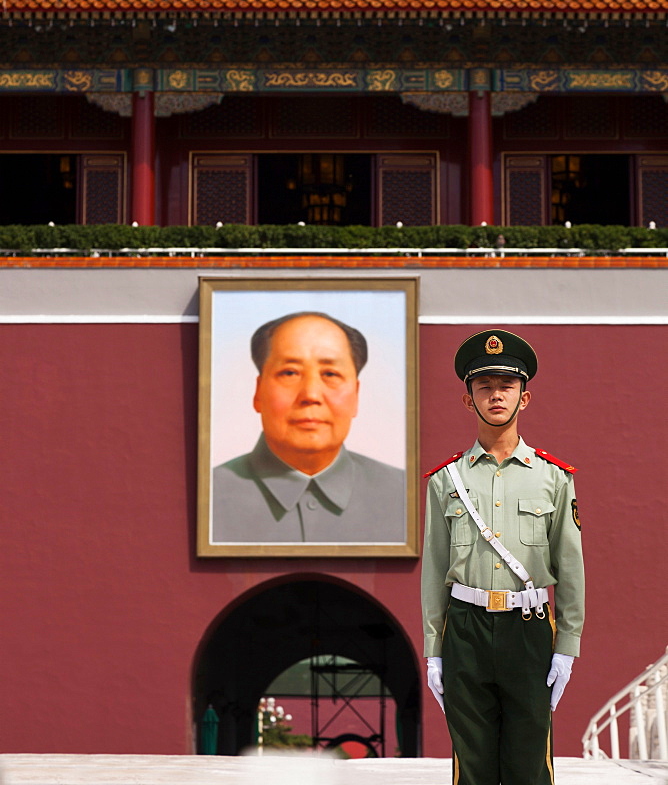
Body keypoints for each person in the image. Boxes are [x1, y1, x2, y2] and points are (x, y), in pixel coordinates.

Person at [421, 329, 584, 785]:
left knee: (530, 762)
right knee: (470, 764)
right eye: (484, 387)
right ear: (468, 400)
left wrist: (567, 647)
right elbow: (434, 570)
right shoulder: (444, 481)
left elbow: (570, 569)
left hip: (529, 628)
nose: (496, 395)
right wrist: (434, 651)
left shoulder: (554, 478)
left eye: (506, 386)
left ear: (524, 398)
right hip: (466, 628)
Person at [212, 311, 405, 543]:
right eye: (290, 373)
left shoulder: (405, 495)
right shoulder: (208, 495)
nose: (311, 395)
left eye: (330, 374)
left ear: (356, 395)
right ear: (258, 392)